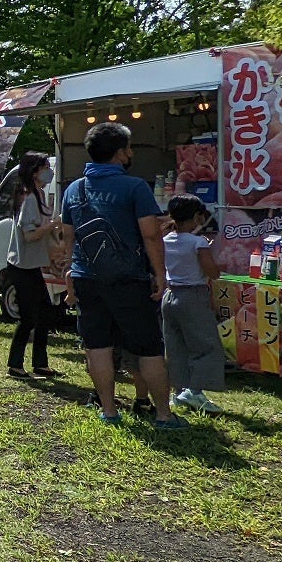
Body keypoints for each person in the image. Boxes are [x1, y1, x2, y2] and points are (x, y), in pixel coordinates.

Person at [59, 122, 185, 429]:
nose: (130, 153)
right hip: (129, 280)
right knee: (148, 348)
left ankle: (109, 411)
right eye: (128, 148)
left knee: (97, 346)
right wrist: (160, 274)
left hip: (87, 278)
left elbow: (67, 237)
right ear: (119, 153)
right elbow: (151, 236)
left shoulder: (74, 189)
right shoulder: (134, 187)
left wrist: (70, 273)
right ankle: (163, 415)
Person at [160, 196, 227, 415]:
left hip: (170, 296)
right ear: (197, 217)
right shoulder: (198, 243)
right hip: (193, 296)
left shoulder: (166, 239)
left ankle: (178, 392)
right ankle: (195, 391)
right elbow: (212, 272)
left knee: (175, 346)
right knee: (206, 345)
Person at [0, 153, 60, 379]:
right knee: (29, 318)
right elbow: (30, 235)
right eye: (45, 167)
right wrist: (53, 225)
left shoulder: (39, 194)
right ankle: (15, 366)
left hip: (31, 265)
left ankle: (40, 364)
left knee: (45, 314)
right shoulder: (29, 197)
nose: (48, 171)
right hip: (21, 266)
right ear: (35, 171)